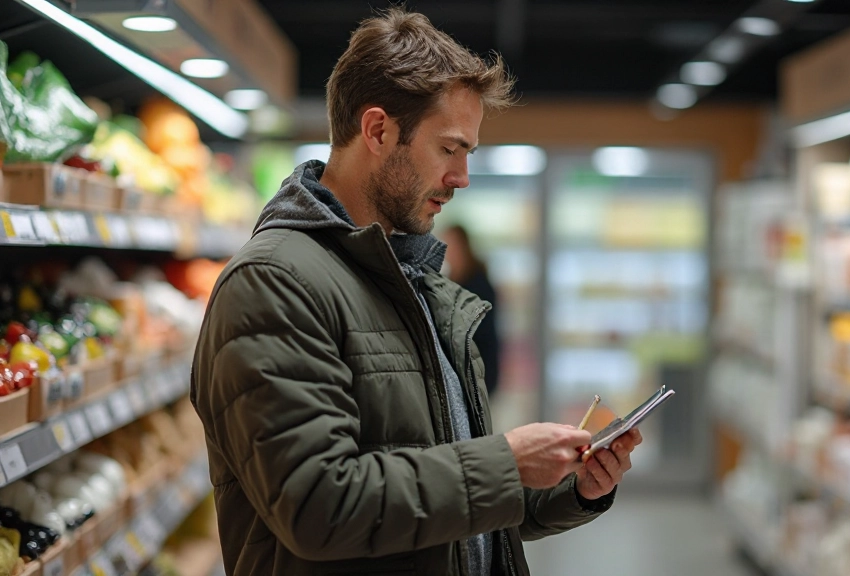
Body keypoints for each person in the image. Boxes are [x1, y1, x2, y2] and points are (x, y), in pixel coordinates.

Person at [190, 8, 641, 576]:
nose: (462, 177)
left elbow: (451, 504)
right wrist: (505, 462)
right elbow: (318, 506)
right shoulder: (274, 283)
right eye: (449, 149)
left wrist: (571, 487)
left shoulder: (416, 282)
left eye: (468, 154)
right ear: (377, 130)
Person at [440, 225, 501, 397]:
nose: (447, 252)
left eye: (451, 245)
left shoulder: (478, 285)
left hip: (478, 369)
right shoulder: (451, 282)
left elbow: (481, 333)